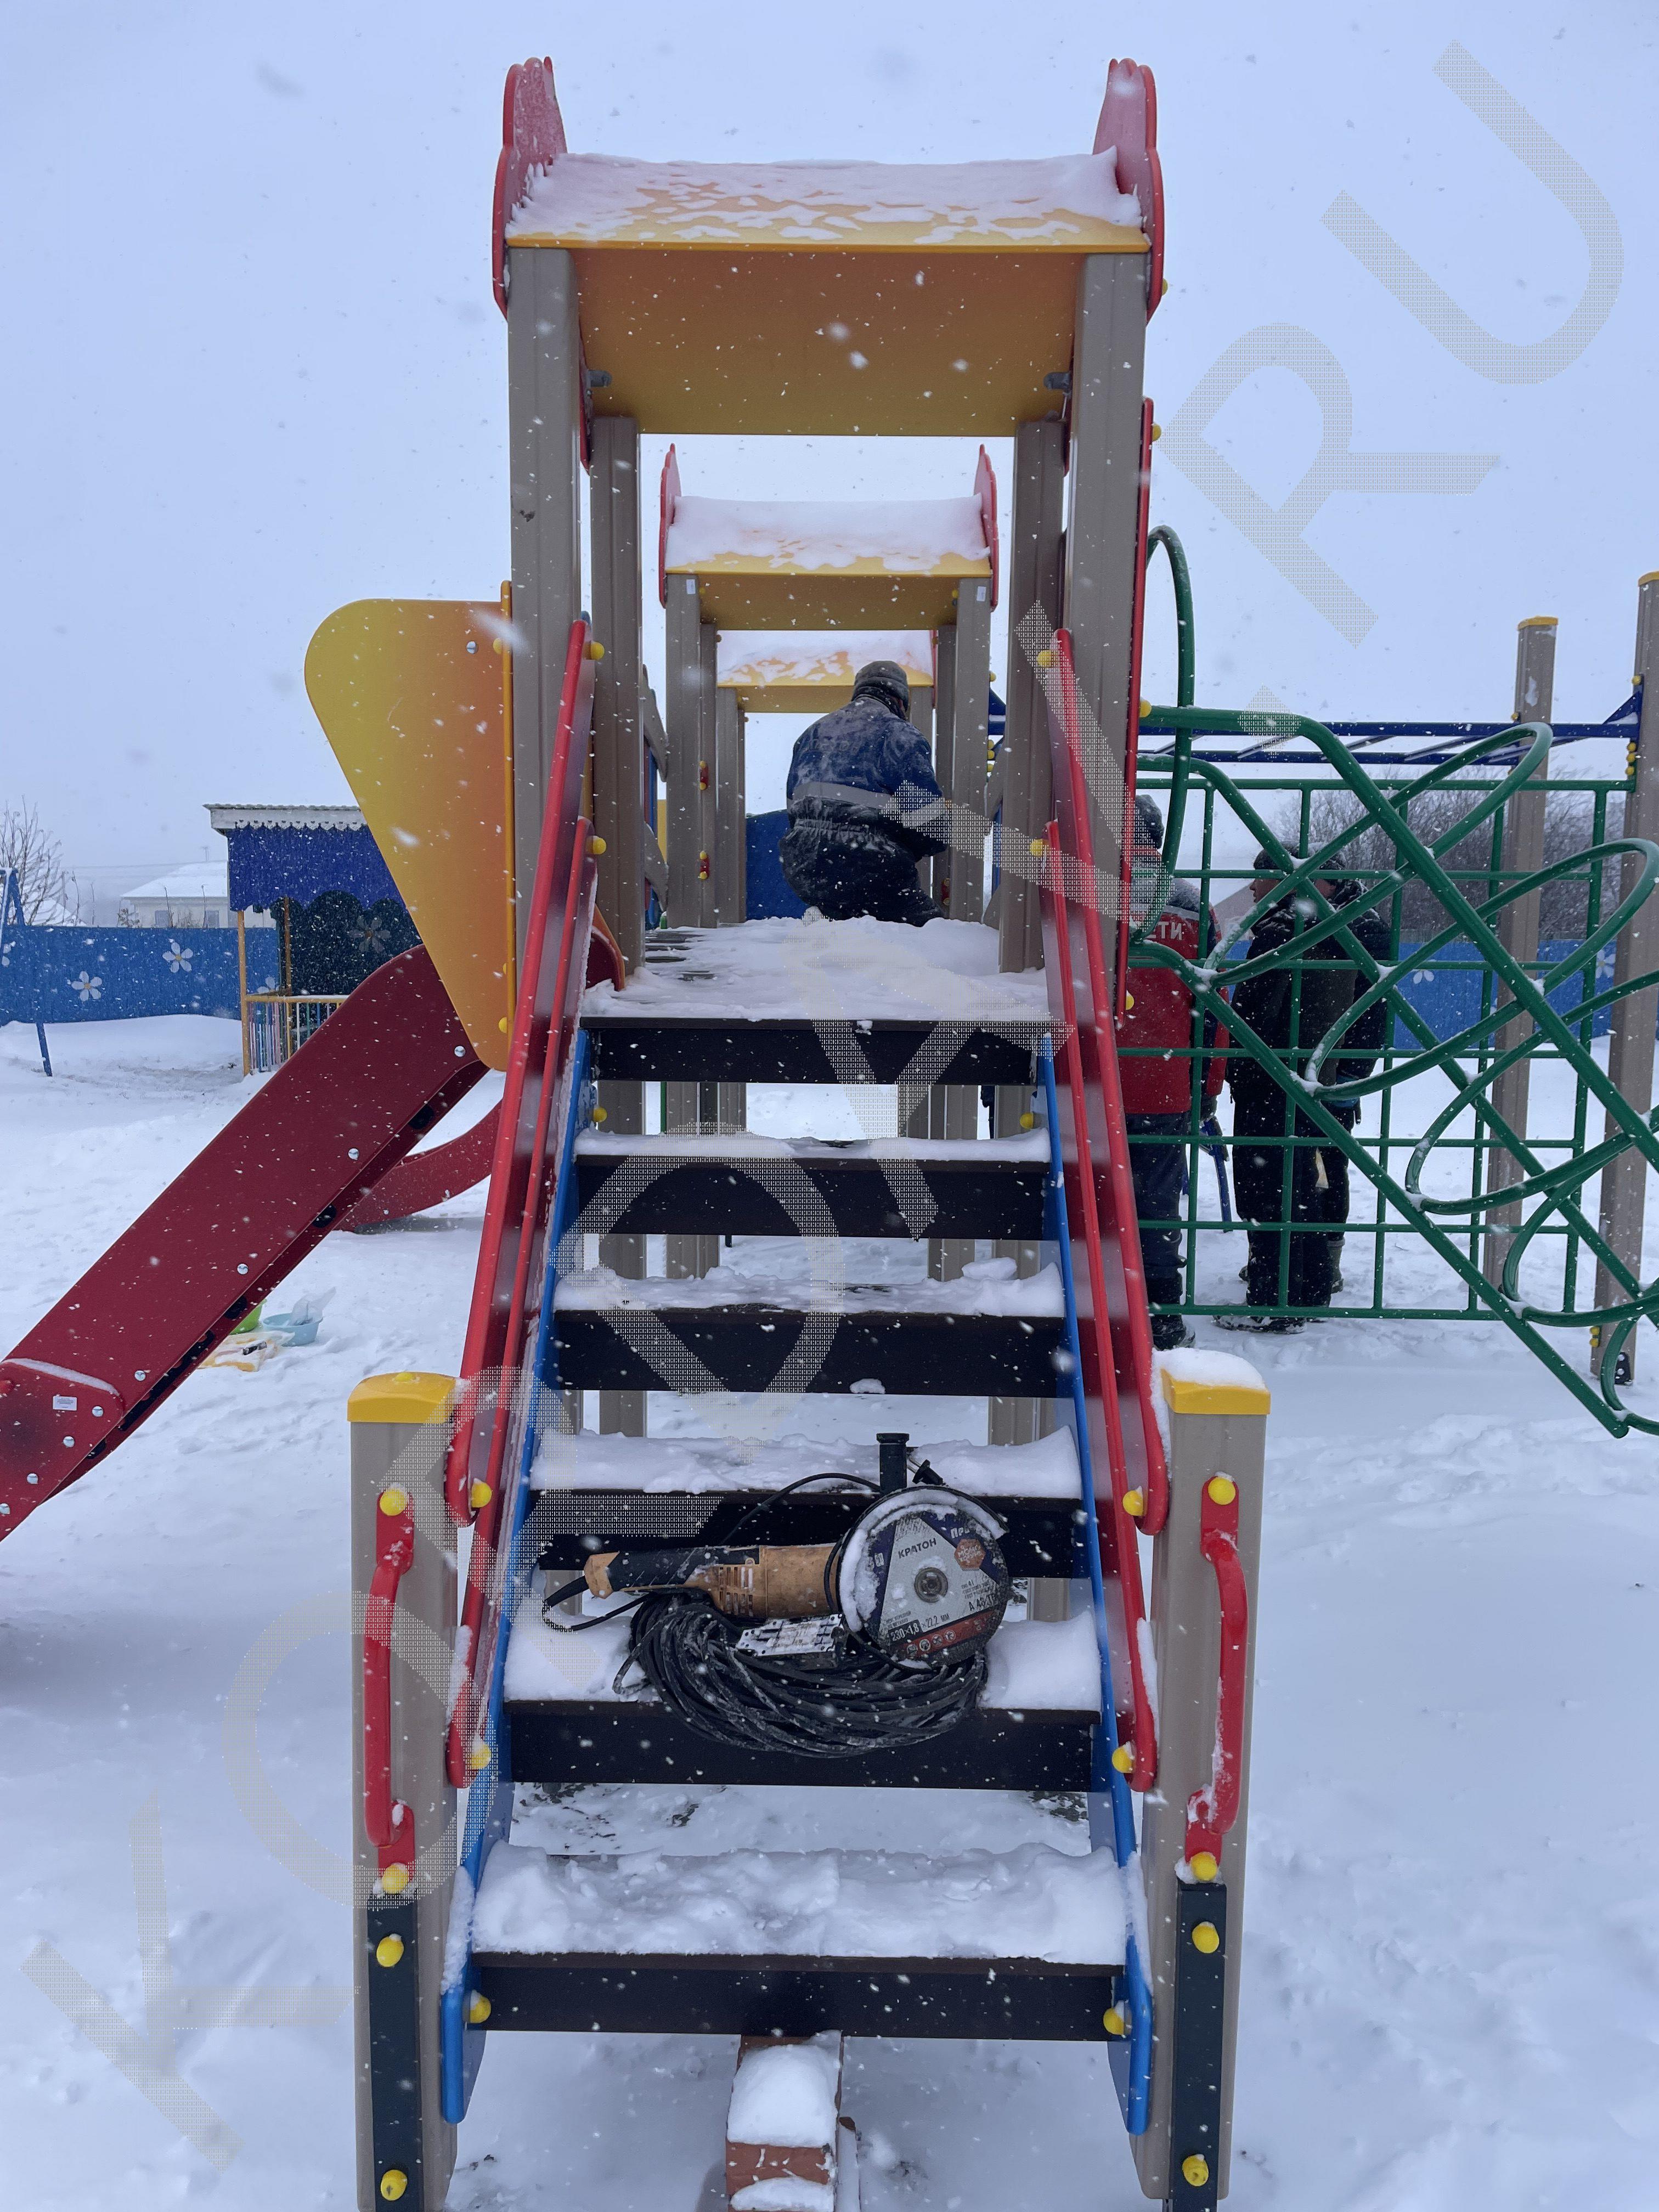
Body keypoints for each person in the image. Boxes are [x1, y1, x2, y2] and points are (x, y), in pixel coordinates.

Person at [1218, 849, 1389, 1331]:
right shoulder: (1354, 925)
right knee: (1307, 1182)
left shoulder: (1293, 931)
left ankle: (1278, 1295)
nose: (1253, 889)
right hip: (1314, 1075)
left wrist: (1238, 1066)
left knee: (1277, 1186)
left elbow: (1257, 1014)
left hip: (1281, 1076)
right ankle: (1308, 1282)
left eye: (1262, 878)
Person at [1119, 796, 1227, 1351]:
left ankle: (1095, 1307)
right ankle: (1160, 1315)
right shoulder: (1192, 905)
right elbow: (1213, 1005)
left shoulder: (1091, 890)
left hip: (1093, 1078)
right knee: (1157, 1204)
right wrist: (1207, 1085)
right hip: (1166, 1082)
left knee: (1088, 1195)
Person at [778, 660, 947, 926]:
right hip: (869, 863)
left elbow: (794, 810)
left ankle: (828, 918)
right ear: (900, 700)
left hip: (805, 865)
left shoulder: (812, 733)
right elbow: (928, 821)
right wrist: (924, 845)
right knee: (931, 931)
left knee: (845, 917)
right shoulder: (899, 734)